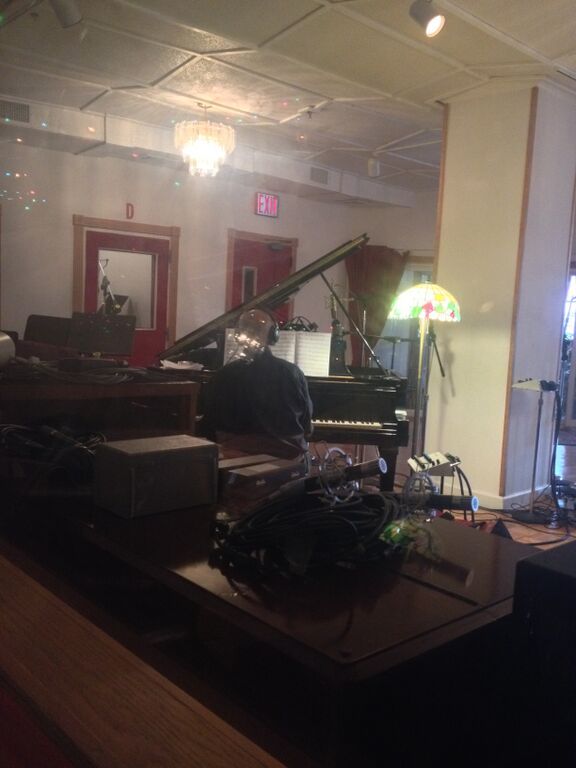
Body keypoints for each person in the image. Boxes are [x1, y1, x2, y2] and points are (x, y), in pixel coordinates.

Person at [201, 308, 313, 460]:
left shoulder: (224, 375)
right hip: (287, 461)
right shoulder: (293, 373)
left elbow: (210, 425)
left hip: (236, 460)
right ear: (273, 335)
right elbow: (306, 426)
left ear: (237, 335)